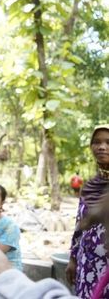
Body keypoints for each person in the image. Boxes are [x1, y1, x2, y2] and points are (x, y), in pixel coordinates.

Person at [66, 124, 109, 298]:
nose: (102, 147)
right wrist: (73, 258)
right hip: (87, 264)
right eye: (96, 142)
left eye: (108, 142)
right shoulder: (90, 186)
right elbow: (80, 225)